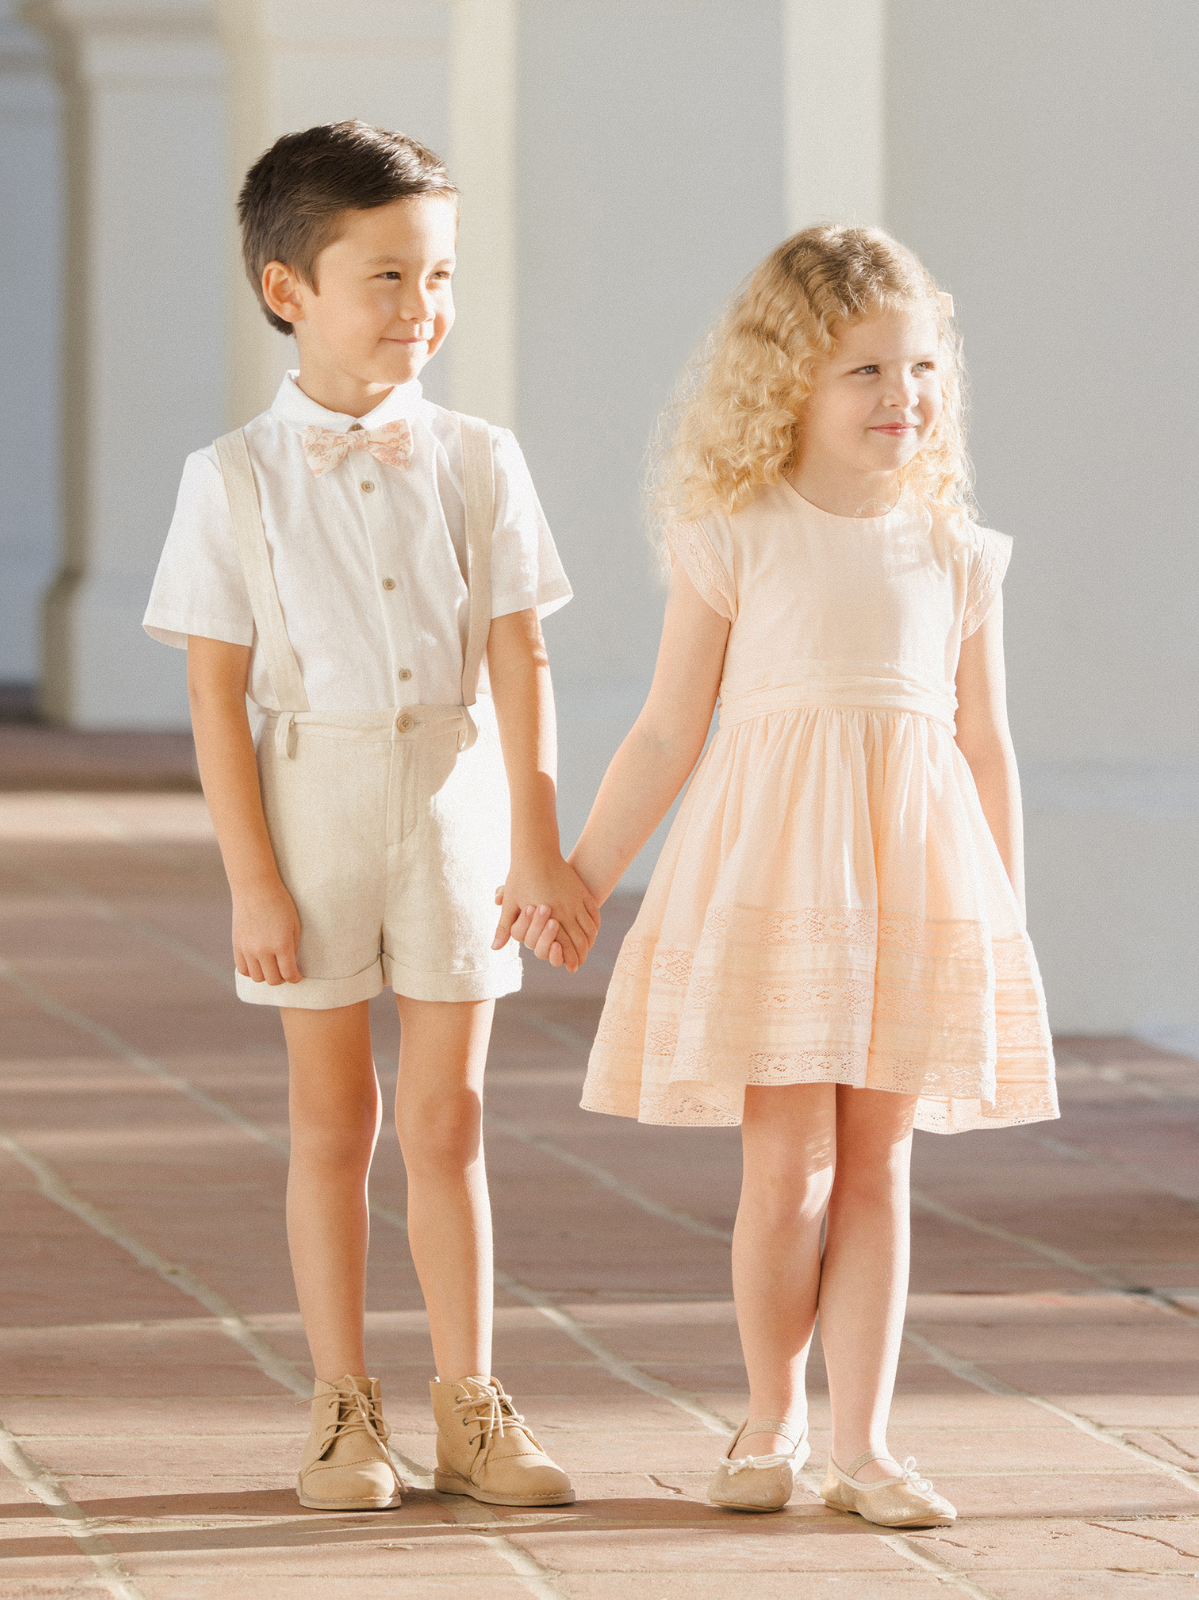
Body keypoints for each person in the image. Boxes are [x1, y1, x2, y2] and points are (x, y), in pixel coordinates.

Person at [520, 225, 1057, 1526]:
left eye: (919, 367)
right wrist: (580, 874)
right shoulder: (734, 537)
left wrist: (1003, 920)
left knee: (878, 1165)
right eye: (863, 370)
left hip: (917, 879)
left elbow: (982, 744)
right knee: (786, 1170)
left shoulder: (956, 553)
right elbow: (664, 730)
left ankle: (865, 1447)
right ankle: (768, 1421)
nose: (901, 397)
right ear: (786, 384)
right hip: (774, 878)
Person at [143, 120, 598, 1513]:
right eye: (388, 278)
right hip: (313, 798)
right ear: (291, 289)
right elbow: (218, 701)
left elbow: (520, 657)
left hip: (455, 797)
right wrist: (252, 882)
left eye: (440, 276)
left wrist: (538, 840)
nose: (423, 309)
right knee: (331, 1117)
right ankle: (344, 1407)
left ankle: (474, 1400)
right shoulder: (230, 478)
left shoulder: (478, 457)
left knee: (448, 1117)